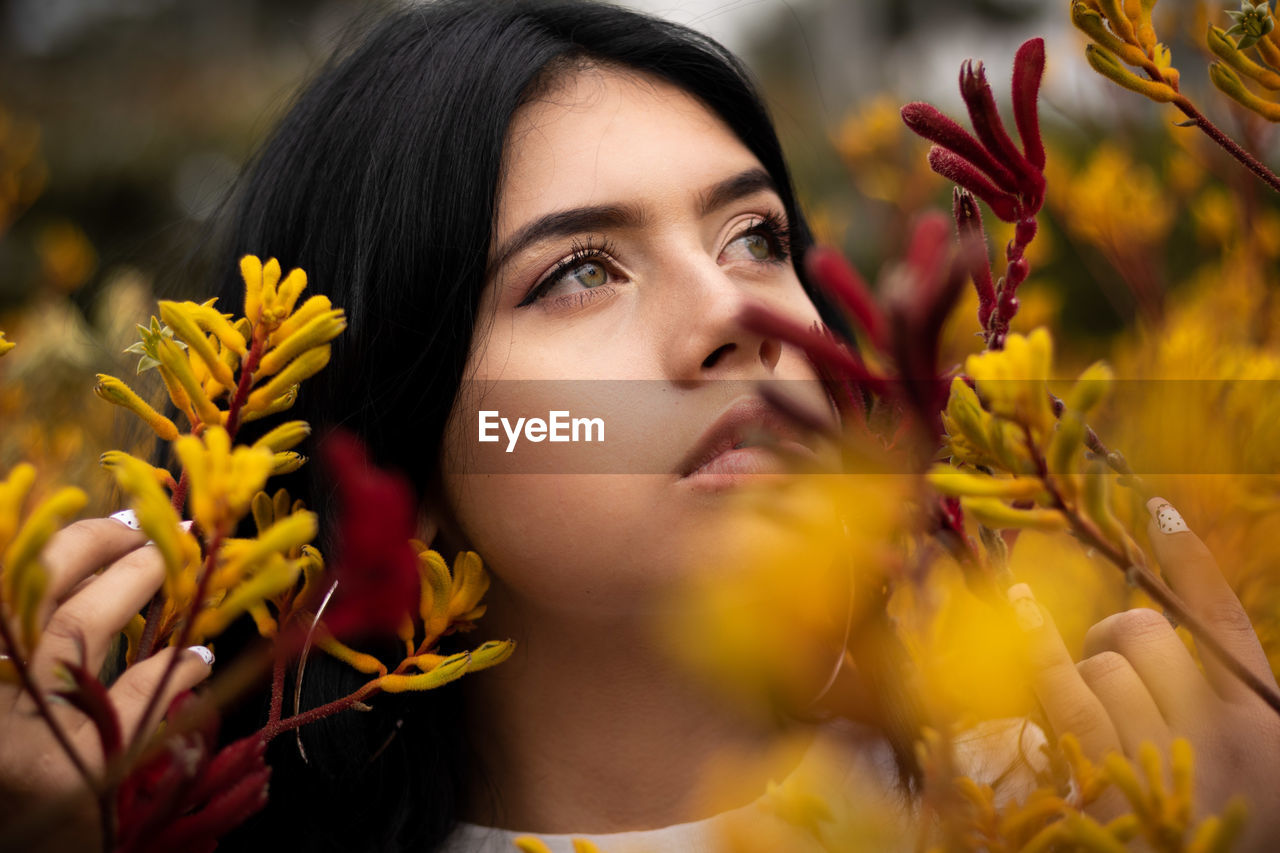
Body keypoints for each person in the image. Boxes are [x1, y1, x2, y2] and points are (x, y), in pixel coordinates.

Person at [3, 2, 1279, 851]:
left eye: (758, 237)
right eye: (576, 272)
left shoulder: (1063, 793)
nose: (739, 314)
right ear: (385, 460)